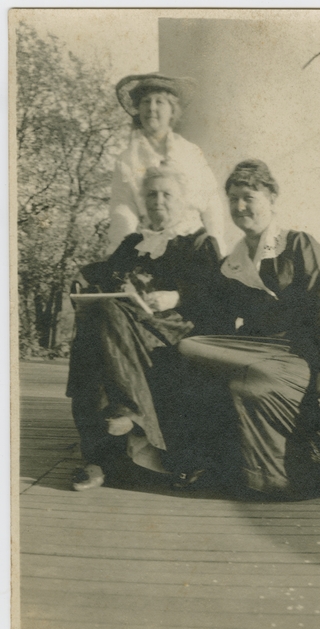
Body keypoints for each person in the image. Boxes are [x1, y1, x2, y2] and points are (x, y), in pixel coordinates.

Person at [179, 159, 320, 500]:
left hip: (298, 354)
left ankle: (279, 472)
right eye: (232, 199)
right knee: (189, 348)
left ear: (271, 198)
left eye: (248, 197)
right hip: (256, 348)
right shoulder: (233, 261)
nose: (240, 207)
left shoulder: (298, 244)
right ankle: (217, 466)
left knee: (248, 381)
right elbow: (213, 314)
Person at [67, 165, 223, 491]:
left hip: (174, 326)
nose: (158, 201)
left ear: (184, 200)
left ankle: (114, 434)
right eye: (151, 194)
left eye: (167, 194)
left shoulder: (200, 242)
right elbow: (109, 278)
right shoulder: (134, 242)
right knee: (96, 327)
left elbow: (213, 296)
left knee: (102, 323)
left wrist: (174, 296)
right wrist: (87, 279)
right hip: (127, 324)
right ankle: (100, 457)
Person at [109, 72, 226, 254]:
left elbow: (211, 202)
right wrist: (119, 255)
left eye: (159, 102)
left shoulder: (191, 153)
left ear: (172, 110)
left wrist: (218, 248)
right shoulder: (127, 159)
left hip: (193, 246)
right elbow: (122, 210)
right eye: (146, 102)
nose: (151, 108)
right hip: (149, 246)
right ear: (138, 109)